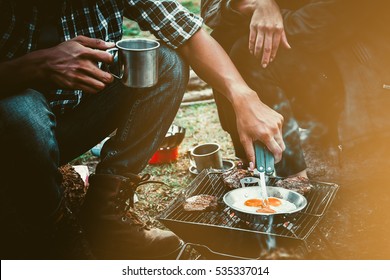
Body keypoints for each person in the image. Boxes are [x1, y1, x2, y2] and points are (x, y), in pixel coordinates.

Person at [0, 0, 285, 259]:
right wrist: (33, 67)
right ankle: (53, 232)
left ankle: (104, 216)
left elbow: (184, 30)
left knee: (165, 64)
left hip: (70, 124)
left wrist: (244, 97)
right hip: (12, 135)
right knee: (21, 111)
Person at [201, 0, 390, 177]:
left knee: (250, 51)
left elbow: (331, 20)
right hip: (301, 53)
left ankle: (292, 176)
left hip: (353, 62)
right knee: (220, 43)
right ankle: (251, 160)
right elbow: (209, 7)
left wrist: (270, 19)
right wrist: (258, 4)